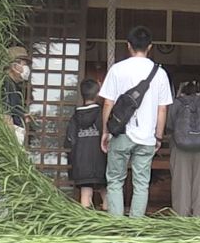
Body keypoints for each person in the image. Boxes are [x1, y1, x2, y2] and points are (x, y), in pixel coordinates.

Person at [99, 26, 172, 217]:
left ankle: (116, 225)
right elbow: (162, 108)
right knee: (141, 183)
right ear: (150, 47)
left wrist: (105, 131)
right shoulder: (160, 73)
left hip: (120, 133)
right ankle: (135, 228)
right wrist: (158, 136)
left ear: (128, 46)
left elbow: (108, 103)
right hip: (147, 137)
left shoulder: (117, 69)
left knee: (115, 180)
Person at [168, 80, 200, 217]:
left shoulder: (176, 104)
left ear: (182, 91)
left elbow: (169, 126)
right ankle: (199, 220)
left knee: (181, 186)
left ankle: (182, 221)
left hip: (180, 149)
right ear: (198, 91)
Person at [65, 79, 107, 209]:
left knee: (85, 193)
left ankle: (86, 225)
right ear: (98, 94)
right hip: (101, 161)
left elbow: (69, 141)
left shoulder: (75, 116)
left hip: (81, 163)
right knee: (107, 192)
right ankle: (110, 223)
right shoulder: (101, 114)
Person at [3, 46, 32, 144]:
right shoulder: (6, 83)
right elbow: (5, 113)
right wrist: (11, 141)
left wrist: (22, 114)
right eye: (24, 64)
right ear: (14, 66)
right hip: (10, 135)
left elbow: (12, 108)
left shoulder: (14, 85)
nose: (26, 68)